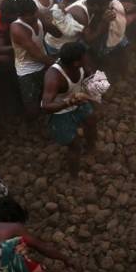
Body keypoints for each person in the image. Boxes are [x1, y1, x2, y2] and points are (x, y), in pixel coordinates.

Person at [40, 42, 97, 175]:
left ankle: (91, 149)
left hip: (77, 101)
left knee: (91, 121)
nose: (87, 57)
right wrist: (69, 102)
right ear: (76, 63)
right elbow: (46, 106)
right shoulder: (54, 77)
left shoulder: (81, 64)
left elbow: (91, 76)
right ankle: (74, 176)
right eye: (84, 56)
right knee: (74, 145)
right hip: (60, 111)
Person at [10, 0, 59, 119]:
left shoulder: (38, 17)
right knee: (32, 106)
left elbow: (56, 32)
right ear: (20, 16)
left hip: (43, 62)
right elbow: (37, 55)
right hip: (27, 71)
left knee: (48, 94)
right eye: (29, 15)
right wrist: (59, 64)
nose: (33, 17)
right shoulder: (17, 28)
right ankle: (33, 124)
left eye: (34, 12)